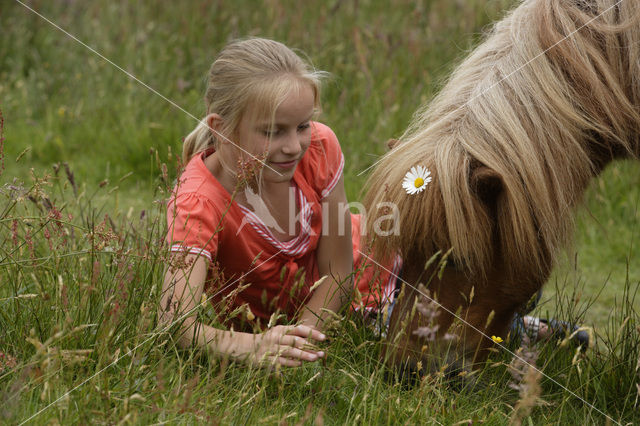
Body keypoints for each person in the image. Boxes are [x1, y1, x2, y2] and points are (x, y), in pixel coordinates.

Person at [160, 38, 399, 368]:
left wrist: (299, 342)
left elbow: (339, 271)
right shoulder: (198, 202)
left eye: (302, 126)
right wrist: (253, 346)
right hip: (349, 321)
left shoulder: (319, 146)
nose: (294, 147)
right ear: (221, 129)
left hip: (390, 275)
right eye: (273, 132)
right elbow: (174, 323)